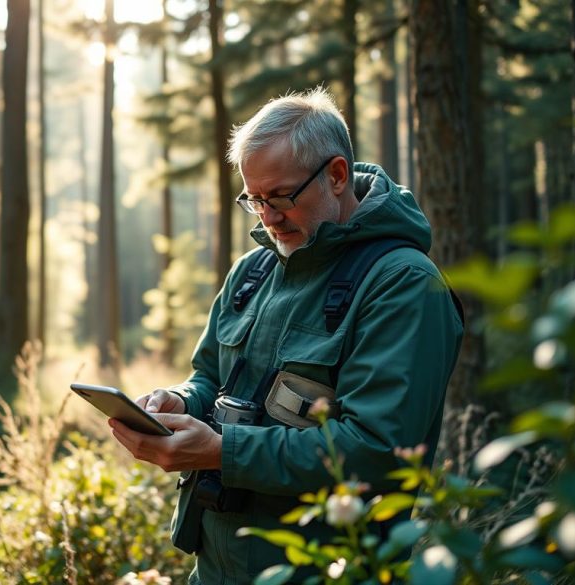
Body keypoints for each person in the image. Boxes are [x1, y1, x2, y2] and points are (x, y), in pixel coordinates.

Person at [109, 87, 463, 584]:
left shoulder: (403, 285)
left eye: (281, 197)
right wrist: (179, 402)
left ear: (337, 175)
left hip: (328, 570)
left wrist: (219, 451)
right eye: (254, 200)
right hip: (215, 563)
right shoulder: (253, 272)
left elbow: (376, 450)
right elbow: (210, 377)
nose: (269, 219)